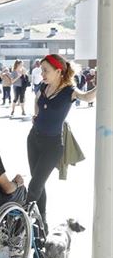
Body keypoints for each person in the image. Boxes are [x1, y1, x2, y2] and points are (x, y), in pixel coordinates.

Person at [27, 54, 96, 232]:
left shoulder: (69, 91)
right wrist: (36, 115)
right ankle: (41, 227)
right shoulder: (43, 86)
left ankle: (20, 222)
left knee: (34, 186)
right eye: (41, 70)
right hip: (33, 139)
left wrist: (103, 82)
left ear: (58, 71)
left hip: (52, 145)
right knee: (38, 183)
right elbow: (37, 101)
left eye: (45, 70)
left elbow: (88, 97)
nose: (42, 74)